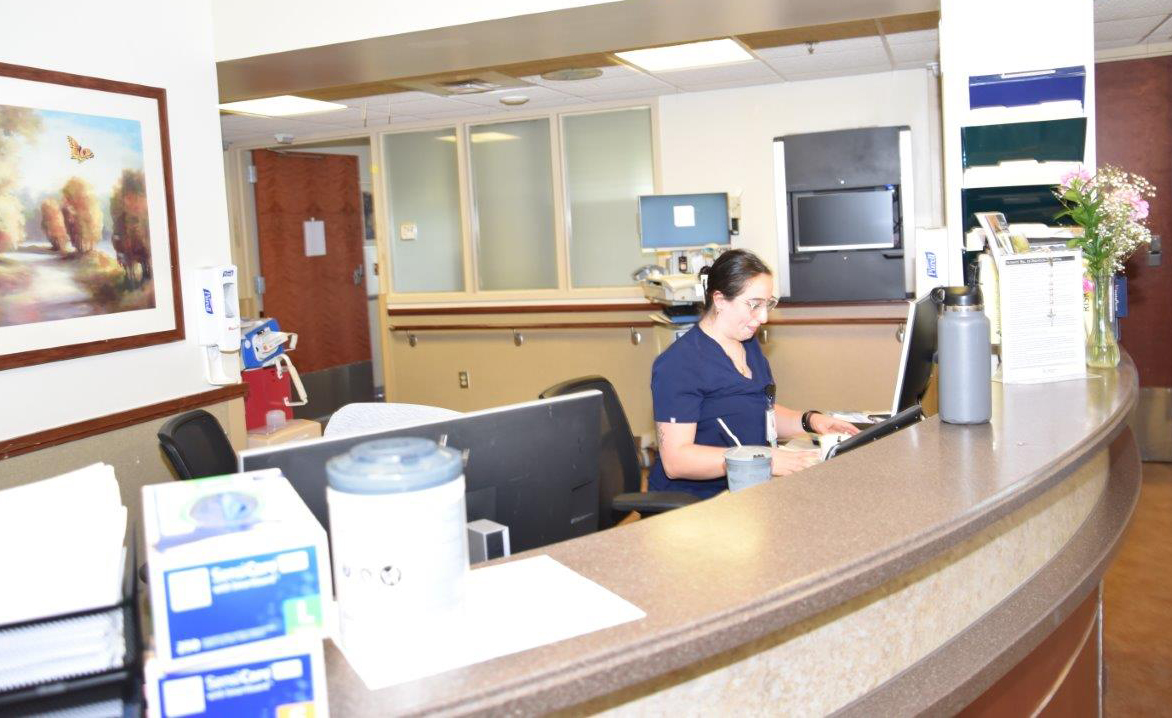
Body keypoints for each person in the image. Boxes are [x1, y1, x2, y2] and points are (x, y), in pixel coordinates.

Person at [648, 249, 859, 499]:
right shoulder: (679, 364)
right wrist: (764, 459)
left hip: (751, 486)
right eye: (754, 304)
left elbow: (757, 410)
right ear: (719, 300)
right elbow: (676, 461)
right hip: (701, 503)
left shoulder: (747, 345)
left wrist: (810, 421)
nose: (763, 317)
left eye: (768, 303)